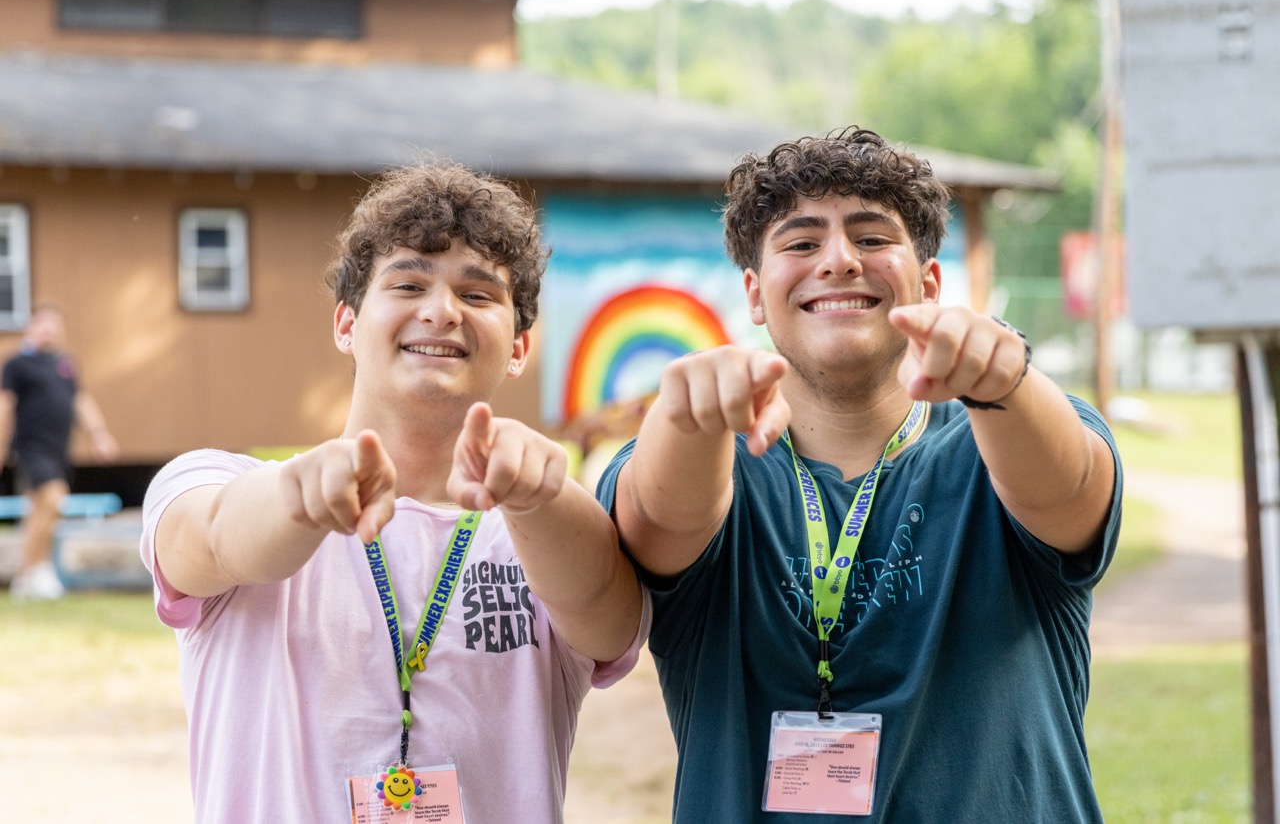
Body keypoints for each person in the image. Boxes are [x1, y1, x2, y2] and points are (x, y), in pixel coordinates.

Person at [597, 127, 1122, 822]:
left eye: (872, 238)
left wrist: (1006, 381)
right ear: (755, 295)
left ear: (928, 283)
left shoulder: (1007, 435)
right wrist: (683, 419)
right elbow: (659, 523)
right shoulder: (705, 460)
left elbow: (1070, 490)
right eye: (802, 242)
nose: (839, 261)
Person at [140, 162, 648, 823]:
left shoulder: (550, 529)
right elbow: (207, 538)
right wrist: (301, 497)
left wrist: (537, 499)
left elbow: (609, 617)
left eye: (478, 294)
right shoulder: (216, 482)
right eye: (408, 283)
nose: (440, 310)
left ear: (520, 345)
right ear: (346, 325)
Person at [2, 303, 118, 601]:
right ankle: (32, 572)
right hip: (30, 448)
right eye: (42, 323)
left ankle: (30, 575)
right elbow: (5, 407)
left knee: (41, 513)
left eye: (54, 324)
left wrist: (99, 435)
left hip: (59, 449)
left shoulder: (65, 364)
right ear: (32, 326)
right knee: (55, 498)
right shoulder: (17, 365)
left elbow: (80, 400)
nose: (48, 329)